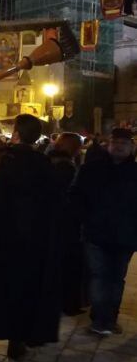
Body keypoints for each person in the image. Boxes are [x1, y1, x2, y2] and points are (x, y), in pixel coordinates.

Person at [0, 114, 61, 360]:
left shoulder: (3, 160)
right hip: (30, 239)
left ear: (16, 133)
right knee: (22, 287)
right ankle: (16, 342)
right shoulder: (44, 163)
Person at [71, 128, 137, 335]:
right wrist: (86, 218)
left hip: (125, 236)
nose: (119, 146)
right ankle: (99, 320)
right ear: (108, 144)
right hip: (96, 234)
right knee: (99, 276)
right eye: (115, 141)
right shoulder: (91, 169)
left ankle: (110, 318)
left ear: (132, 147)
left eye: (124, 143)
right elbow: (75, 195)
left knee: (116, 278)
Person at [48, 133, 86, 316]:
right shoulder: (66, 167)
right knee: (69, 264)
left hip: (51, 221)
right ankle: (69, 303)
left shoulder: (48, 162)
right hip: (65, 223)